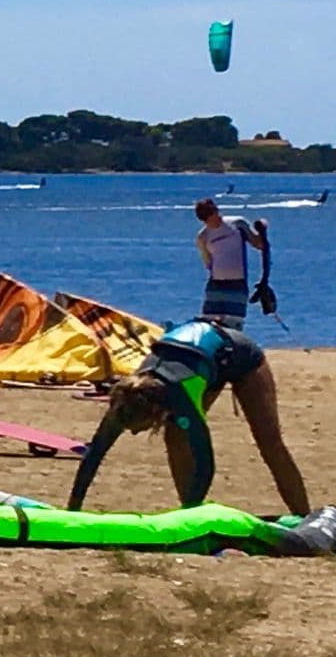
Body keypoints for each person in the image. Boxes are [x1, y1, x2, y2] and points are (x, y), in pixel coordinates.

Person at [68, 319, 311, 514]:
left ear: (155, 411)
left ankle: (303, 515)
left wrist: (193, 517)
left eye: (137, 427)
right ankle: (189, 507)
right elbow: (94, 454)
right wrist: (73, 511)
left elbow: (206, 462)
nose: (131, 432)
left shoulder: (181, 396)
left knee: (269, 442)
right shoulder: (125, 399)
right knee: (175, 438)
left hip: (241, 358)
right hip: (203, 362)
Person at [193, 197, 271, 325]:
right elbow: (208, 262)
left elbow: (259, 244)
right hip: (216, 284)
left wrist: (262, 229)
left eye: (216, 211)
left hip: (237, 283)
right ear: (205, 219)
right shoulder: (203, 237)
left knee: (234, 322)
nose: (218, 215)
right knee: (208, 321)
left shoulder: (237, 224)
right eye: (213, 214)